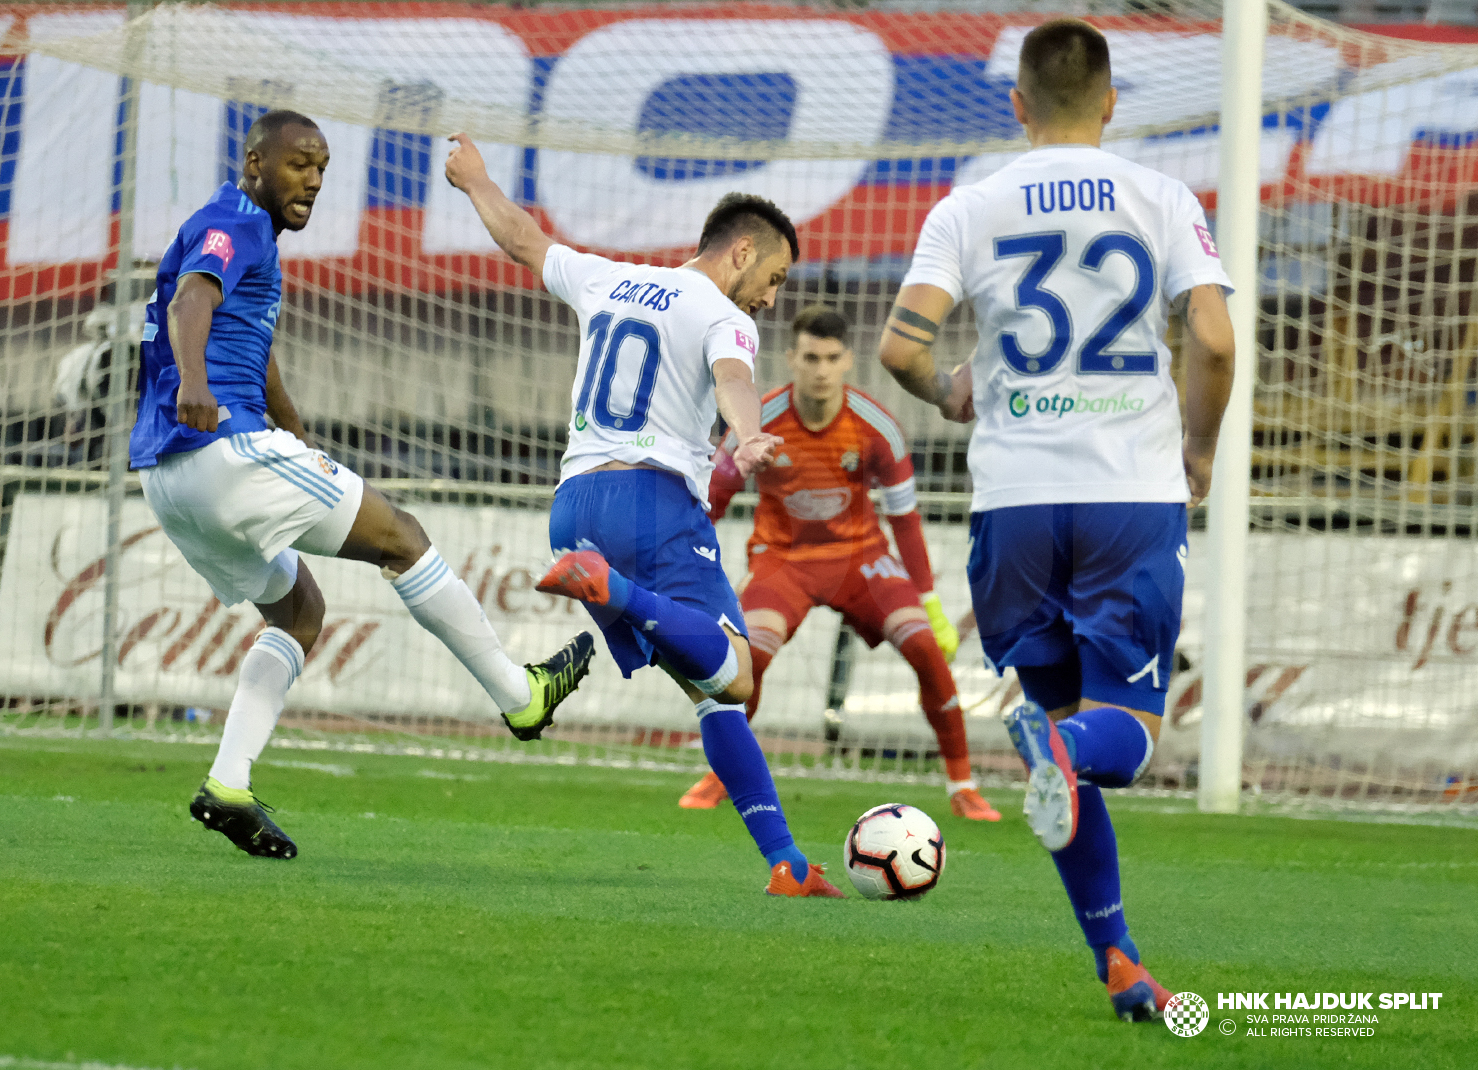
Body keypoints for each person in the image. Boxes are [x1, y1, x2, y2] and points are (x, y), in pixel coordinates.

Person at [876, 20, 1236, 1019]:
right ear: (1111, 101)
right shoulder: (1162, 199)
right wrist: (1197, 450)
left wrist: (955, 388)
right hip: (1128, 490)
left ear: (1017, 103)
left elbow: (899, 350)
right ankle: (1058, 750)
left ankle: (1119, 961)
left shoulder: (969, 205)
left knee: (1058, 740)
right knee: (1117, 734)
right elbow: (1211, 337)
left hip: (1015, 500)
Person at [132, 110, 594, 860]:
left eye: (321, 166)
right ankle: (519, 695)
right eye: (296, 163)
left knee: (299, 609)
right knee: (401, 539)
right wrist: (192, 381)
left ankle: (227, 784)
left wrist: (294, 428)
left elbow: (249, 346)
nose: (312, 178)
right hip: (221, 448)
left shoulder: (247, 237)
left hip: (168, 476)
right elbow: (192, 302)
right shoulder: (235, 222)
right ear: (255, 164)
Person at [445, 133, 843, 898]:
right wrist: (748, 430)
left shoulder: (610, 279)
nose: (771, 296)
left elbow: (524, 239)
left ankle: (787, 864)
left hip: (574, 505)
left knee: (711, 694)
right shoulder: (721, 312)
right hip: (650, 504)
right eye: (774, 277)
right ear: (742, 250)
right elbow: (734, 373)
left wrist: (476, 181)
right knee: (739, 671)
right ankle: (609, 587)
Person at [681, 305, 1000, 822]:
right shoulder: (755, 422)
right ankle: (723, 773)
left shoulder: (877, 428)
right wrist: (691, 568)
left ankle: (963, 785)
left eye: (831, 358)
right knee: (748, 659)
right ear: (791, 359)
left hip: (860, 559)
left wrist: (929, 599)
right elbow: (712, 501)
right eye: (810, 357)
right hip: (783, 560)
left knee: (925, 646)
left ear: (848, 359)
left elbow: (905, 519)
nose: (822, 369)